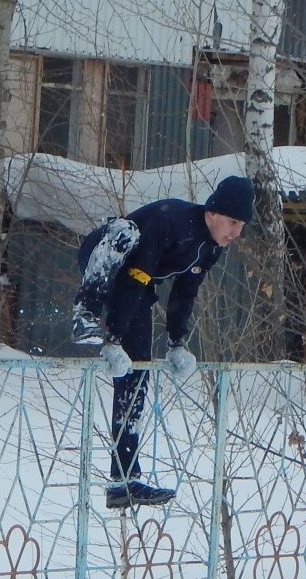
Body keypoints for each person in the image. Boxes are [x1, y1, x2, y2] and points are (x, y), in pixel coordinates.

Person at [71, 173, 253, 509]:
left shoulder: (211, 248)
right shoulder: (170, 223)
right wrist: (112, 338)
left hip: (138, 282)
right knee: (123, 234)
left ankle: (122, 481)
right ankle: (84, 315)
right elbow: (134, 277)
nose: (235, 232)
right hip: (109, 255)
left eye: (241, 225)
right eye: (232, 222)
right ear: (212, 213)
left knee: (137, 372)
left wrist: (177, 343)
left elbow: (185, 293)